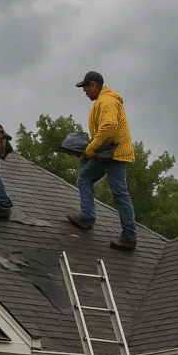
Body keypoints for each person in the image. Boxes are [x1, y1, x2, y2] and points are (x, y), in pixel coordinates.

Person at [67, 71, 137, 251]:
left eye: (86, 89)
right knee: (85, 176)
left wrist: (90, 149)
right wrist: (92, 148)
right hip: (105, 152)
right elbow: (105, 130)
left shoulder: (107, 101)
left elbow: (109, 127)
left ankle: (129, 237)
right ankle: (87, 218)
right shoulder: (102, 101)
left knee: (119, 193)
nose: (85, 92)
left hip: (115, 154)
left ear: (93, 84)